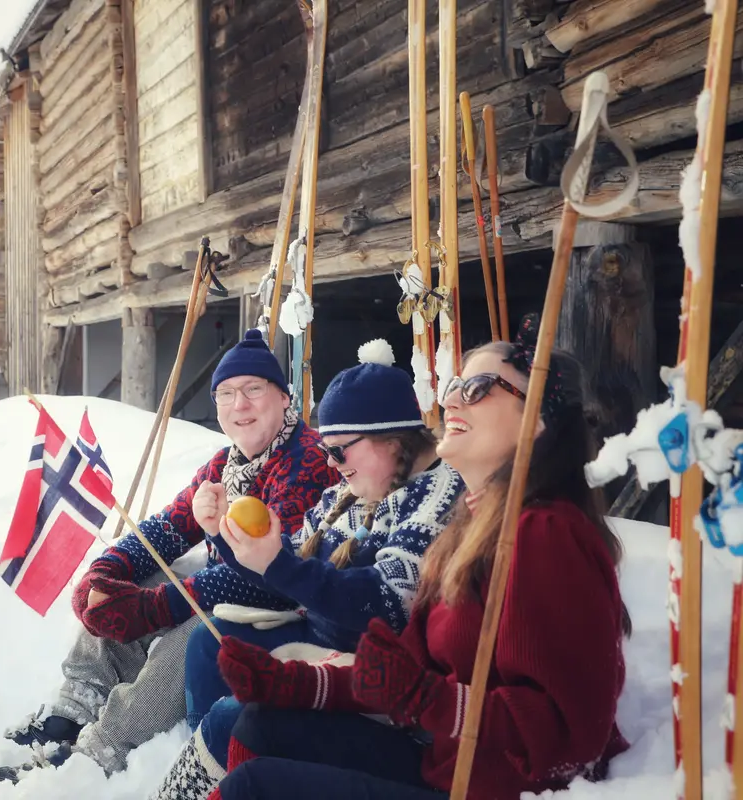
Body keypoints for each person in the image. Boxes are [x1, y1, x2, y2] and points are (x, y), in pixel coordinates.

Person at [206, 319, 631, 800]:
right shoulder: (474, 525)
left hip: (500, 790)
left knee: (253, 788)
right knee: (262, 721)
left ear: (536, 421)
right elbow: (403, 672)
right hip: (445, 765)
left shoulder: (546, 533)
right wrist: (296, 685)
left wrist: (429, 699)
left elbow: (570, 737)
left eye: (478, 388)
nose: (451, 401)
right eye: (454, 386)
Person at [0, 329, 334, 783]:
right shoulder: (224, 464)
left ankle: (104, 748)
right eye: (226, 393)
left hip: (286, 612)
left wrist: (156, 607)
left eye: (253, 389)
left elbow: (266, 577)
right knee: (127, 587)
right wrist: (105, 572)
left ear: (284, 397)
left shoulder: (307, 460)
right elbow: (167, 529)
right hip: (233, 595)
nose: (239, 404)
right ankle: (72, 710)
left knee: (192, 629)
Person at [150, 341, 463, 800]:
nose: (332, 464)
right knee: (209, 642)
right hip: (325, 633)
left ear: (393, 439)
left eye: (340, 450)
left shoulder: (436, 496)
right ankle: (207, 767)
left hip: (376, 673)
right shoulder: (352, 493)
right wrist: (227, 538)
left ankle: (212, 771)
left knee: (231, 713)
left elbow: (387, 603)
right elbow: (287, 571)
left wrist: (277, 564)